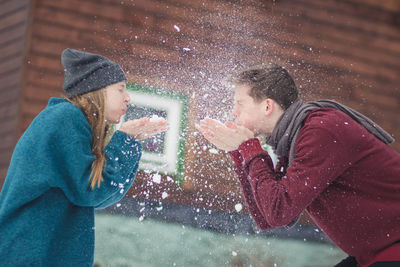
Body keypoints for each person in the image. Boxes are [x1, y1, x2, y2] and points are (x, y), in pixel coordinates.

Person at [197, 64, 400, 267]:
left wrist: (248, 148)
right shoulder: (292, 142)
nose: (234, 112)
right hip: (375, 253)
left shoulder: (321, 130)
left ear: (267, 106)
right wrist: (240, 155)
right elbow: (266, 217)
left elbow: (278, 211)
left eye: (240, 104)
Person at [0, 48, 169, 266]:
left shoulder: (71, 121)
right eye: (120, 89)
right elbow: (91, 189)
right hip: (29, 256)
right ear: (96, 89)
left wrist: (129, 142)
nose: (127, 98)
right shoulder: (65, 119)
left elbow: (103, 195)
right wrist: (125, 139)